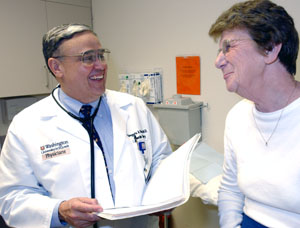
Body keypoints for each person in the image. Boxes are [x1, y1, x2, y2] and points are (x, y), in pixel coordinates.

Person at [0, 24, 172, 228]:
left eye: (101, 55)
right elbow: (11, 198)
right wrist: (60, 211)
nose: (100, 65)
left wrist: (165, 193)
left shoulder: (133, 107)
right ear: (57, 67)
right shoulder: (27, 125)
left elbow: (162, 159)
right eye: (88, 58)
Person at [209, 0, 300, 227]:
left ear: (270, 48)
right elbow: (230, 189)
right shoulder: (237, 117)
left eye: (228, 47)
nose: (218, 61)